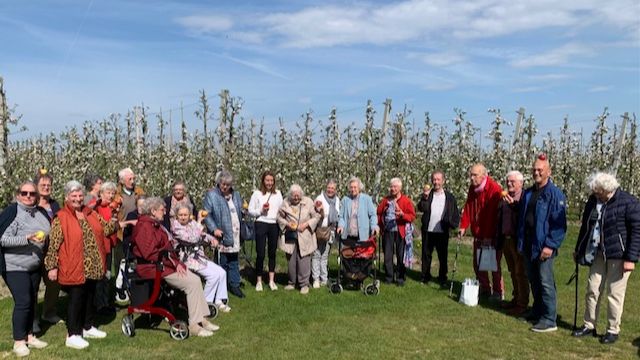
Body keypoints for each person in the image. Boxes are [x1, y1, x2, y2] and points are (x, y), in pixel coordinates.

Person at [44, 181, 116, 349]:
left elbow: (106, 229)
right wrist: (52, 266)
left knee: (89, 296)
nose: (77, 198)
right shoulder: (61, 217)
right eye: (73, 195)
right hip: (73, 264)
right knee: (76, 299)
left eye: (80, 195)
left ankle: (87, 326)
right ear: (67, 197)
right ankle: (73, 334)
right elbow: (54, 244)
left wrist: (115, 218)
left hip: (92, 264)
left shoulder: (90, 213)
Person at [132, 197, 218, 337]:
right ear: (153, 211)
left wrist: (177, 263)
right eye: (162, 209)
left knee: (195, 279)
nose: (165, 212)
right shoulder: (144, 227)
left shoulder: (156, 225)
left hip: (165, 265)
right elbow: (150, 254)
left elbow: (168, 248)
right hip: (154, 268)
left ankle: (202, 318)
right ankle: (194, 325)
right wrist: (171, 262)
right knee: (191, 283)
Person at [572, 172, 640, 344]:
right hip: (598, 252)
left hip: (619, 255)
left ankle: (612, 330)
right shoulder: (593, 201)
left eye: (597, 191)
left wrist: (631, 258)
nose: (595, 193)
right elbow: (586, 227)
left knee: (615, 293)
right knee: (592, 289)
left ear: (606, 189)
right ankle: (589, 325)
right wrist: (579, 249)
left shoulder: (628, 202)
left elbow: (636, 232)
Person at [517, 154, 567, 333]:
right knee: (534, 280)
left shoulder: (555, 195)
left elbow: (559, 224)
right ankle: (537, 311)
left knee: (546, 282)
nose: (536, 172)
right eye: (534, 169)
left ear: (549, 172)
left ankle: (549, 318)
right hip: (529, 244)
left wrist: (550, 245)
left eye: (540, 170)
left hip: (543, 246)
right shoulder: (529, 193)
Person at [0, 181, 50, 357]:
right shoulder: (13, 212)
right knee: (23, 302)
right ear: (18, 194)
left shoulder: (39, 212)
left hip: (34, 265)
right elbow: (3, 239)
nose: (28, 196)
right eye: (24, 193)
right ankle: (18, 341)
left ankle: (29, 335)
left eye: (32, 193)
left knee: (32, 300)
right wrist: (27, 238)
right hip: (15, 265)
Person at [171, 203, 230, 312]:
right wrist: (199, 222)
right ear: (176, 216)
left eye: (185, 215)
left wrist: (212, 239)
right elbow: (192, 239)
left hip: (198, 258)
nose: (183, 217)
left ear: (189, 215)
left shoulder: (192, 223)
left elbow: (202, 235)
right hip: (187, 260)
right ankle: (205, 303)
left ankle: (219, 300)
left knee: (221, 272)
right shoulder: (176, 227)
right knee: (212, 276)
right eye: (181, 215)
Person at [459, 163, 504, 299]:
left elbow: (493, 215)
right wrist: (463, 225)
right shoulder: (473, 189)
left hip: (492, 233)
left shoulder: (494, 188)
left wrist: (489, 235)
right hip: (478, 232)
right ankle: (485, 288)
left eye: (475, 175)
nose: (472, 178)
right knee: (478, 263)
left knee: (493, 263)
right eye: (470, 175)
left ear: (484, 175)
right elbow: (469, 206)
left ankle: (498, 291)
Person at [203, 170, 246, 298]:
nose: (225, 187)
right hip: (221, 233)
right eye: (223, 184)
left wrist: (244, 211)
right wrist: (214, 228)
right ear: (218, 183)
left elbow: (239, 210)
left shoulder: (236, 194)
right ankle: (221, 287)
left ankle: (234, 284)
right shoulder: (212, 195)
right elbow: (207, 214)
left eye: (227, 184)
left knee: (234, 260)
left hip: (235, 232)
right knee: (222, 261)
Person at [416, 171, 460, 286]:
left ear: (443, 181)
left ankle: (442, 278)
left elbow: (455, 212)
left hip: (442, 230)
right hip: (428, 230)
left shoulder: (449, 197)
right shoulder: (428, 195)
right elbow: (421, 208)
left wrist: (454, 225)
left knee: (442, 256)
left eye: (438, 179)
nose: (436, 182)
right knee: (426, 254)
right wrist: (424, 198)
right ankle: (425, 276)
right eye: (434, 179)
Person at [496, 171, 529, 316]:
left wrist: (515, 205)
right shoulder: (504, 198)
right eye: (507, 181)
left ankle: (522, 303)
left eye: (512, 182)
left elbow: (525, 218)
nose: (509, 184)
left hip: (518, 240)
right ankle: (516, 299)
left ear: (520, 183)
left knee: (520, 272)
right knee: (512, 271)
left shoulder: (524, 198)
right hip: (506, 239)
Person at [277, 184, 320, 294]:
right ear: (290, 195)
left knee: (304, 259)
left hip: (304, 235)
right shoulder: (285, 202)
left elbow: (317, 216)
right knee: (291, 259)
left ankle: (304, 284)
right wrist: (287, 224)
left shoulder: (308, 202)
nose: (296, 198)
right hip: (290, 235)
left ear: (301, 194)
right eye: (294, 196)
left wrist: (306, 224)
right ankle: (291, 282)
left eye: (298, 195)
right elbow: (279, 217)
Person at [35, 169, 63, 329]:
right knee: (33, 285)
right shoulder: (31, 204)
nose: (46, 187)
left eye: (49, 185)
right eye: (43, 185)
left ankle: (49, 312)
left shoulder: (54, 204)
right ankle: (33, 319)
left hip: (51, 250)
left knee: (54, 282)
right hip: (35, 250)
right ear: (36, 186)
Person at [247, 171, 283, 292]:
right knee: (260, 253)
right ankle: (259, 280)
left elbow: (281, 208)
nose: (269, 183)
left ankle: (271, 280)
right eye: (267, 180)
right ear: (263, 181)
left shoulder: (278, 194)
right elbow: (250, 210)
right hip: (261, 222)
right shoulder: (257, 194)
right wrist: (260, 211)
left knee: (272, 253)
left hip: (273, 224)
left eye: (271, 180)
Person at [377, 178, 416, 286]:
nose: (393, 189)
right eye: (391, 186)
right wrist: (380, 225)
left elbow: (412, 216)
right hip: (388, 231)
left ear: (400, 188)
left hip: (400, 231)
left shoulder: (406, 200)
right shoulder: (386, 200)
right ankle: (389, 277)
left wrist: (403, 215)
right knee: (388, 255)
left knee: (400, 255)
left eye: (395, 187)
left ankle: (400, 277)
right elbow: (379, 213)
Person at [93, 181, 120, 315]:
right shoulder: (98, 207)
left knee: (108, 274)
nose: (111, 195)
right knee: (101, 275)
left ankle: (105, 302)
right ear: (101, 193)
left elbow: (115, 226)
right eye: (108, 193)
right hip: (101, 245)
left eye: (113, 193)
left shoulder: (112, 207)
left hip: (110, 243)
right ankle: (99, 305)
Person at [311, 179, 339, 289]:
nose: (330, 190)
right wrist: (322, 212)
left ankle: (324, 278)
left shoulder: (337, 200)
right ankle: (315, 279)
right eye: (329, 188)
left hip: (330, 230)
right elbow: (316, 214)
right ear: (325, 188)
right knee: (317, 255)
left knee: (325, 255)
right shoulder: (320, 199)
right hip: (320, 230)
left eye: (333, 188)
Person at [337, 177, 379, 244]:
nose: (353, 189)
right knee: (348, 254)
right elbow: (341, 216)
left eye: (355, 187)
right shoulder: (345, 200)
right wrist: (341, 226)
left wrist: (374, 226)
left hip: (363, 235)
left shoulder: (367, 199)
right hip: (348, 235)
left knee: (361, 254)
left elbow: (373, 215)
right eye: (351, 187)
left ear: (359, 188)